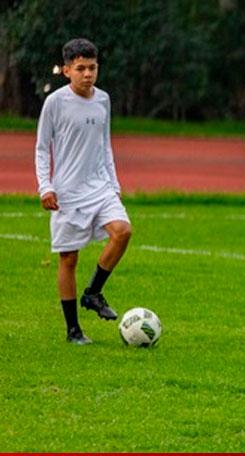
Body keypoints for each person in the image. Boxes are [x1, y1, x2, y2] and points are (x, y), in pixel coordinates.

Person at [35, 38, 133, 345]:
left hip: (100, 187)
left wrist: (114, 185)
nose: (87, 74)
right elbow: (41, 148)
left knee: (123, 231)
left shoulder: (103, 99)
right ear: (66, 70)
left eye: (92, 68)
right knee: (69, 259)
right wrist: (45, 186)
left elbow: (105, 145)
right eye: (80, 68)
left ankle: (92, 293)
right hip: (67, 192)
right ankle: (73, 330)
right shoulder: (55, 103)